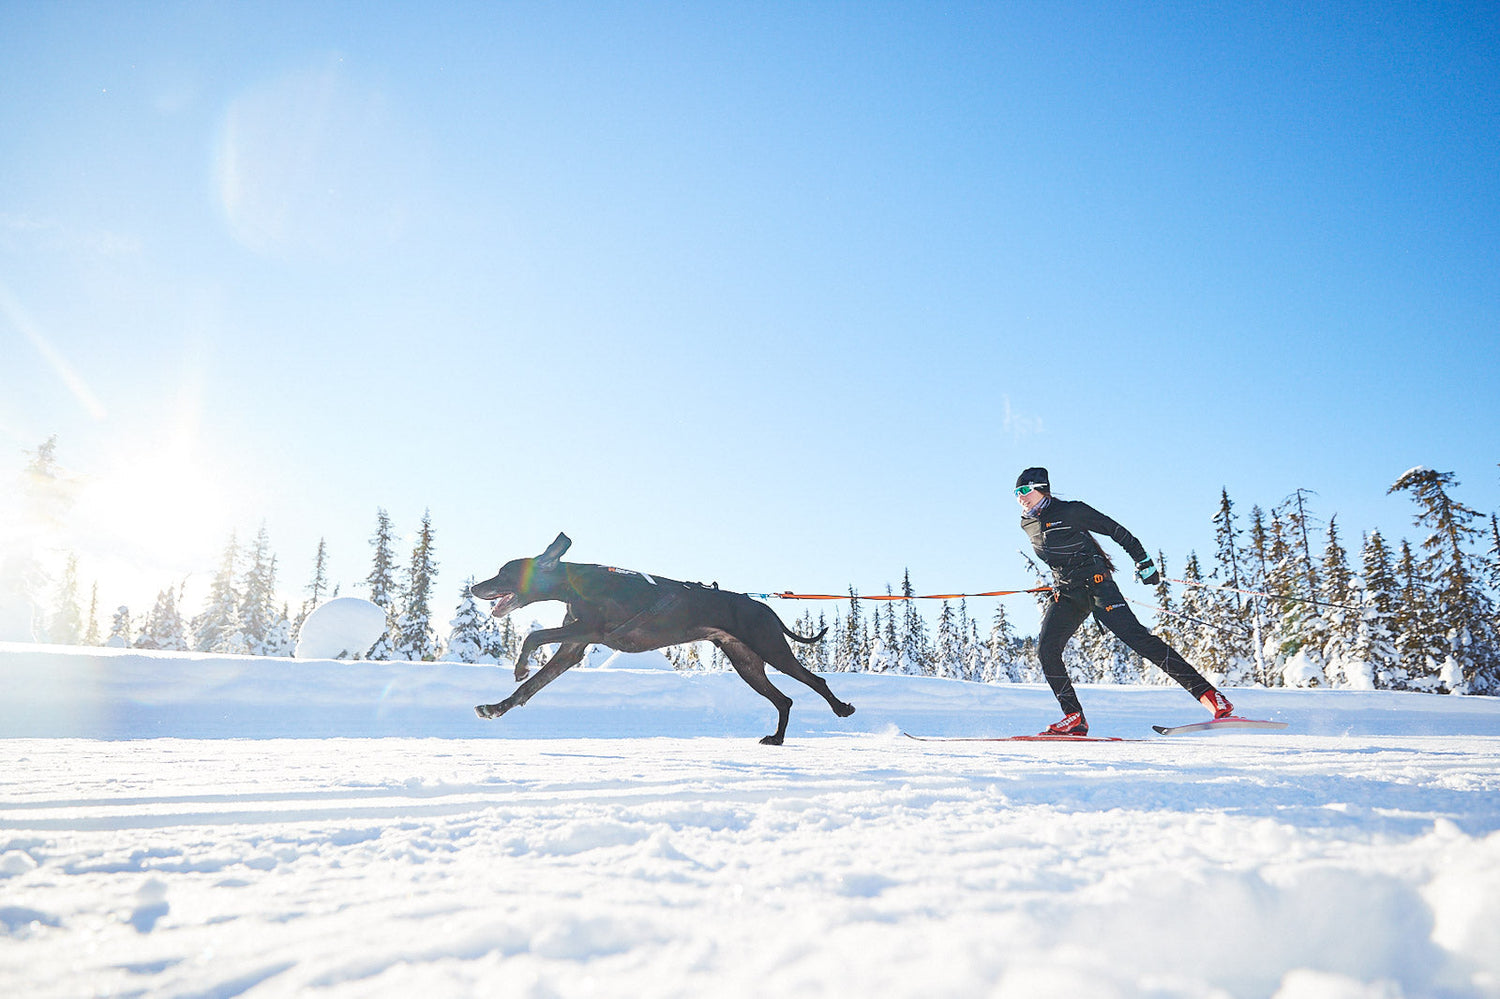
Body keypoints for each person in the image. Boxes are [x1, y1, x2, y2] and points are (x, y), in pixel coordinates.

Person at [1015, 466, 1234, 736]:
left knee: (1140, 640)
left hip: (1098, 587)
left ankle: (1212, 697)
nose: (1020, 497)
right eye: (1016, 493)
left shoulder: (1071, 511)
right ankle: (1074, 717)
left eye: (1024, 490)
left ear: (1041, 489)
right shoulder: (1027, 524)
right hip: (1069, 594)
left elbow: (1115, 530)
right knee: (1047, 650)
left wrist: (1143, 561)